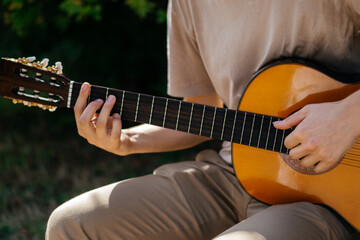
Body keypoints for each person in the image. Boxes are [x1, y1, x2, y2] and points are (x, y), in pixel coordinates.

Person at [46, 0, 360, 239]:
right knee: (72, 225)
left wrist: (347, 116)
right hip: (230, 173)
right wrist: (129, 141)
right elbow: (203, 105)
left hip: (326, 197)